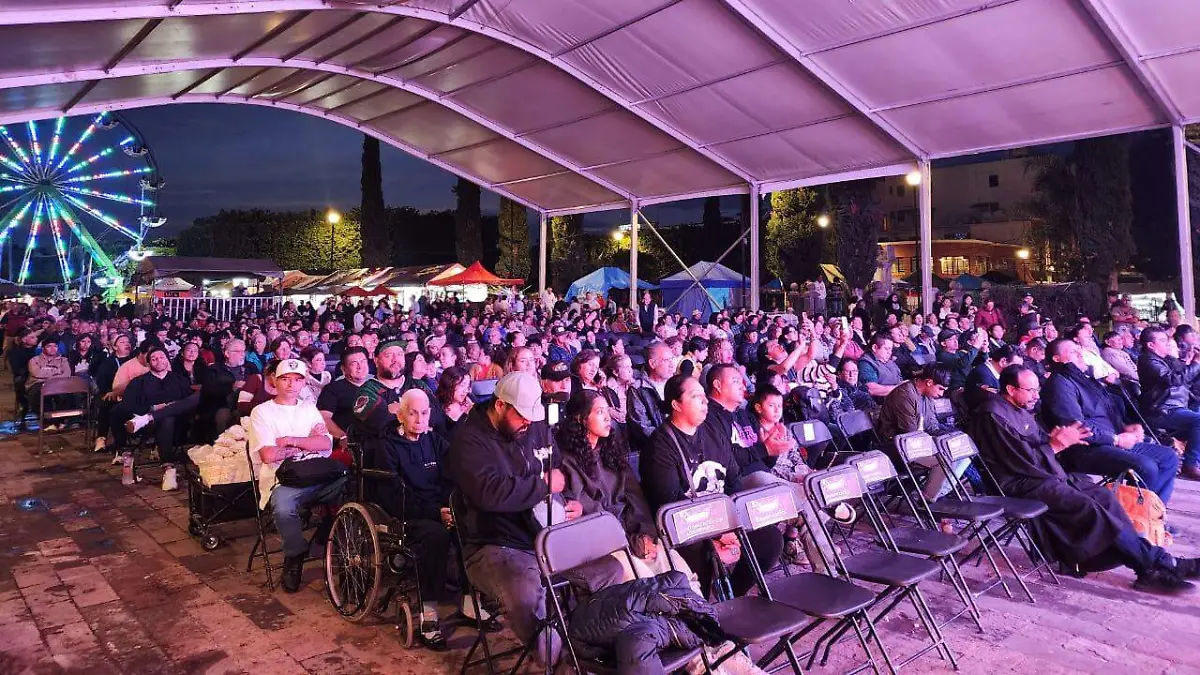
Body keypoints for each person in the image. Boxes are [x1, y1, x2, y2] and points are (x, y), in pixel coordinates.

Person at [445, 372, 622, 668]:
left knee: (610, 570)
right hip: (495, 544)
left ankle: (583, 643)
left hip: (547, 532)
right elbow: (491, 494)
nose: (528, 424)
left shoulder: (536, 425)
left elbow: (555, 473)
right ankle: (562, 664)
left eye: (531, 416)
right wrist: (542, 484)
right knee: (526, 597)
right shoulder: (469, 441)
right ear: (500, 406)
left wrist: (567, 504)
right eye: (521, 417)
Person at [971, 365, 1198, 594]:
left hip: (1043, 473)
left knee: (1104, 497)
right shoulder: (992, 414)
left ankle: (1149, 567)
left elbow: (1038, 442)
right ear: (1010, 388)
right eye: (1030, 391)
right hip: (1019, 483)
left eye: (1037, 390)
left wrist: (1060, 438)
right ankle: (1162, 563)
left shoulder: (1017, 408)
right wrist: (1056, 444)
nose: (1036, 396)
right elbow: (1019, 462)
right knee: (1088, 507)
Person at [641, 374, 782, 598]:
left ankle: (733, 595)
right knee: (702, 553)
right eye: (695, 396)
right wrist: (715, 534)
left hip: (722, 518)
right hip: (688, 527)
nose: (705, 400)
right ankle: (705, 609)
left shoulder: (713, 432)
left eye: (703, 395)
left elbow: (733, 481)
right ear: (676, 404)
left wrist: (732, 526)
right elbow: (671, 505)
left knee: (770, 539)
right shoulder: (659, 447)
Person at [374, 388, 495, 650]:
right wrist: (435, 513)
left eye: (425, 412)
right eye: (413, 413)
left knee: (470, 527)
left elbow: (455, 474)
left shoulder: (435, 441)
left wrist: (452, 507)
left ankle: (469, 601)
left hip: (442, 509)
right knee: (437, 537)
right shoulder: (388, 448)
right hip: (410, 513)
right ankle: (428, 614)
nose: (420, 418)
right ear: (401, 415)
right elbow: (392, 496)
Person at [1040, 338, 1178, 504]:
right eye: (1073, 352)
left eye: (1079, 350)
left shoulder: (1085, 380)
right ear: (1057, 359)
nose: (1080, 354)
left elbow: (1105, 413)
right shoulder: (1059, 383)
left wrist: (1125, 427)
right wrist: (1116, 439)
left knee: (1168, 457)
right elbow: (1074, 426)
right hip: (1084, 449)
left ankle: (1152, 517)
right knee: (1146, 466)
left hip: (1109, 441)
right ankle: (1135, 520)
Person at [248, 358, 343, 593]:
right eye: (285, 379)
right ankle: (295, 553)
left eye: (298, 380)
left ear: (303, 383)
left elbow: (324, 444)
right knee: (282, 506)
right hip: (284, 478)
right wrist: (307, 443)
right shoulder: (261, 412)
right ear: (274, 381)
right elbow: (269, 455)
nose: (291, 385)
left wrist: (291, 441)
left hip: (316, 473)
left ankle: (334, 542)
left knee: (351, 484)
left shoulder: (309, 409)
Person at [113, 345, 200, 490]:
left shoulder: (180, 380)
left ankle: (169, 468)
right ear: (148, 363)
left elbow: (189, 404)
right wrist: (152, 408)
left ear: (168, 360)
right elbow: (128, 405)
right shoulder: (138, 382)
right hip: (148, 427)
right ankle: (168, 468)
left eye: (161, 357)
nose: (158, 361)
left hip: (178, 425)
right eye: (154, 359)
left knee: (169, 418)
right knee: (166, 420)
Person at [876, 364, 968, 501]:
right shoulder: (904, 394)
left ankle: (938, 493)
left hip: (918, 443)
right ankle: (926, 500)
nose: (942, 394)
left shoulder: (927, 395)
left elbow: (932, 426)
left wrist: (948, 440)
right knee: (944, 460)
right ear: (929, 382)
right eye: (940, 389)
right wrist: (938, 445)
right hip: (895, 447)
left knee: (963, 453)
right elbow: (909, 433)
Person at [1138, 326, 1200, 481]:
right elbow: (1174, 380)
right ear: (1151, 345)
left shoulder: (1165, 359)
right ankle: (1190, 465)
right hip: (1161, 411)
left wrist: (1190, 358)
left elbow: (1184, 372)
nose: (1168, 343)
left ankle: (1194, 460)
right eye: (1163, 340)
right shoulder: (1148, 360)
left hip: (1175, 406)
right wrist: (1196, 363)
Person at [197, 338, 256, 443]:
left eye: (243, 351)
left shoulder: (250, 367)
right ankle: (222, 446)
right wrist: (231, 387)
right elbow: (210, 390)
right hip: (221, 405)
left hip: (246, 405)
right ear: (227, 354)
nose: (242, 354)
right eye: (238, 351)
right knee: (223, 415)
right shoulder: (214, 369)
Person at [627, 341, 674, 454]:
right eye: (666, 360)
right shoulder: (638, 389)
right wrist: (669, 441)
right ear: (652, 364)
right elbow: (641, 427)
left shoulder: (676, 383)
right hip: (654, 450)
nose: (672, 365)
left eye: (672, 359)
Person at [964, 343, 1022, 412]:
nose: (1017, 371)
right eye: (1015, 366)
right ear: (1003, 361)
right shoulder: (985, 378)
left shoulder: (990, 371)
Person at [857, 333, 902, 401]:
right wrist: (899, 388)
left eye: (891, 349)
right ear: (874, 348)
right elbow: (871, 388)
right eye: (887, 349)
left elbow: (900, 380)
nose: (890, 352)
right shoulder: (866, 363)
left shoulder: (890, 362)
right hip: (881, 405)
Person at [435, 366, 473, 442]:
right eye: (462, 385)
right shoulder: (437, 408)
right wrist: (465, 415)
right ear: (449, 384)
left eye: (467, 386)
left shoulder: (469, 400)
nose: (466, 390)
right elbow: (445, 441)